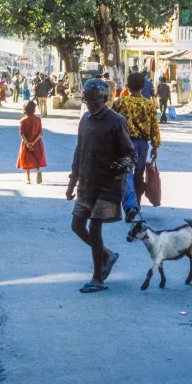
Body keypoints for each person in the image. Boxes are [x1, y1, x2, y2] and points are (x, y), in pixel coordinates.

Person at [67, 78, 137, 293]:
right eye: (87, 101)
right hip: (87, 183)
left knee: (94, 227)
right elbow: (79, 152)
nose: (90, 105)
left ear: (105, 99)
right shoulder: (85, 120)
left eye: (94, 101)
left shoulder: (117, 121)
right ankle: (106, 255)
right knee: (77, 225)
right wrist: (72, 182)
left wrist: (124, 164)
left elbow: (130, 153)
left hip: (108, 184)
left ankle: (98, 278)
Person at [112, 72, 161, 222]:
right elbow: (155, 128)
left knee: (126, 174)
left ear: (127, 85)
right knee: (138, 173)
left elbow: (112, 123)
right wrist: (155, 146)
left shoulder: (120, 102)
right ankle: (136, 205)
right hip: (142, 145)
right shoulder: (150, 105)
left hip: (124, 143)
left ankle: (130, 206)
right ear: (142, 86)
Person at [16, 101, 46, 184]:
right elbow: (40, 133)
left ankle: (28, 178)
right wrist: (33, 142)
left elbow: (22, 134)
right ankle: (38, 171)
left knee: (26, 160)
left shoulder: (23, 120)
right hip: (37, 142)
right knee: (37, 157)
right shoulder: (38, 119)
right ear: (34, 109)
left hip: (26, 143)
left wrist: (28, 143)